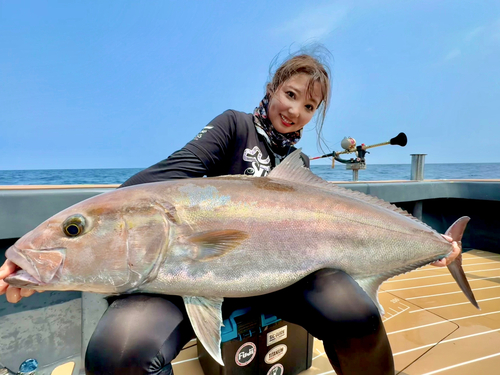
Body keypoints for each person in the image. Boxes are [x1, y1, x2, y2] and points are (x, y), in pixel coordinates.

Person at [0, 49, 460, 375]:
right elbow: (173, 171)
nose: (295, 110)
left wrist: (433, 247)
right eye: (291, 94)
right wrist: (50, 260)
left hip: (289, 274)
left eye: (309, 106)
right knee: (117, 353)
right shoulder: (232, 126)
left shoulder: (296, 169)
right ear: (272, 89)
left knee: (357, 314)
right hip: (186, 273)